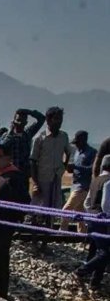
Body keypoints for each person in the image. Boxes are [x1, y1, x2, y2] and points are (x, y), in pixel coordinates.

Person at [0, 144, 30, 299]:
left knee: (0, 261)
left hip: (2, 226)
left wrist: (9, 218)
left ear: (8, 158)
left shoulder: (13, 177)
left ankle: (1, 293)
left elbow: (23, 201)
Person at [29, 106, 71, 233]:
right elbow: (32, 161)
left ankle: (47, 237)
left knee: (52, 209)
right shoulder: (40, 139)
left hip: (56, 177)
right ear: (48, 120)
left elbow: (68, 152)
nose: (59, 122)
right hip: (42, 179)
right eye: (56, 119)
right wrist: (35, 182)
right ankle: (35, 236)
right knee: (38, 209)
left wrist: (64, 166)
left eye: (61, 119)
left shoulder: (64, 136)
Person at [75, 156, 110, 290]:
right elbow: (106, 205)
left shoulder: (96, 180)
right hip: (103, 221)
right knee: (104, 253)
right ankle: (81, 272)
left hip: (92, 219)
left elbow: (87, 202)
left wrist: (89, 214)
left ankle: (94, 283)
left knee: (94, 249)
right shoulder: (108, 182)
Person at [59, 131, 96, 233]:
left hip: (83, 186)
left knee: (66, 209)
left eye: (78, 143)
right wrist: (71, 169)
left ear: (84, 141)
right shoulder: (77, 152)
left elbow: (92, 169)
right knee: (79, 211)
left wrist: (75, 167)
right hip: (75, 184)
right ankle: (82, 234)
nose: (77, 145)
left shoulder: (92, 152)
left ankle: (63, 231)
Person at [2, 108, 45, 175]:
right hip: (10, 173)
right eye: (18, 120)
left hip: (24, 173)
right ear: (13, 121)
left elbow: (42, 118)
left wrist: (29, 112)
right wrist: (11, 131)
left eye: (22, 120)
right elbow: (2, 147)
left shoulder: (28, 133)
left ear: (26, 122)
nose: (20, 123)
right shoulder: (7, 135)